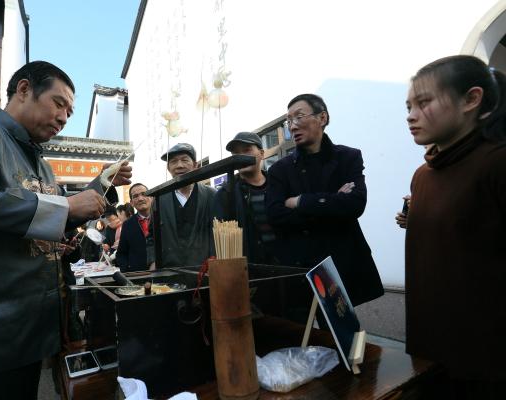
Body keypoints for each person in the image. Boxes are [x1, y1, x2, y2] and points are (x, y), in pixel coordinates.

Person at [0, 61, 132, 400]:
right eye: (59, 103)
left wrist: (100, 183)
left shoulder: (40, 163)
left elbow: (57, 211)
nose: (63, 117)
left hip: (26, 339)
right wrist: (67, 208)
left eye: (70, 112)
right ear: (24, 89)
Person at [404, 55, 506, 397]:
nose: (411, 115)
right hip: (429, 347)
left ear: (471, 99)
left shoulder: (496, 164)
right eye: (409, 106)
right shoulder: (423, 175)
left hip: (485, 359)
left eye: (424, 102)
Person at [265, 94, 383, 307]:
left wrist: (300, 202)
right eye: (289, 120)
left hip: (343, 263)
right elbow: (275, 215)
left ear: (322, 118)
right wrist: (333, 203)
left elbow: (356, 204)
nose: (292, 126)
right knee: (308, 336)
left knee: (345, 335)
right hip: (301, 268)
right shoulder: (279, 170)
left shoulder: (348, 157)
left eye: (299, 117)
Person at [212, 132, 277, 264]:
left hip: (285, 267)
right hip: (248, 270)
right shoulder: (225, 194)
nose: (241, 156)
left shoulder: (278, 186)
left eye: (247, 150)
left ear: (262, 153)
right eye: (236, 153)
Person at [159, 143, 215, 267]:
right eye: (173, 161)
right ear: (168, 168)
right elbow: (153, 236)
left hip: (206, 269)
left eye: (185, 160)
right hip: (171, 270)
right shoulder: (160, 199)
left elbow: (219, 232)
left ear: (195, 165)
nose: (179, 165)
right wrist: (153, 261)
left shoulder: (211, 195)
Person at [117, 183, 155, 272]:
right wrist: (127, 270)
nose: (140, 198)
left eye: (144, 194)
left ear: (151, 197)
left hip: (163, 274)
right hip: (137, 277)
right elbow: (121, 253)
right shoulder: (127, 225)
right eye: (135, 196)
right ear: (132, 203)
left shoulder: (163, 218)